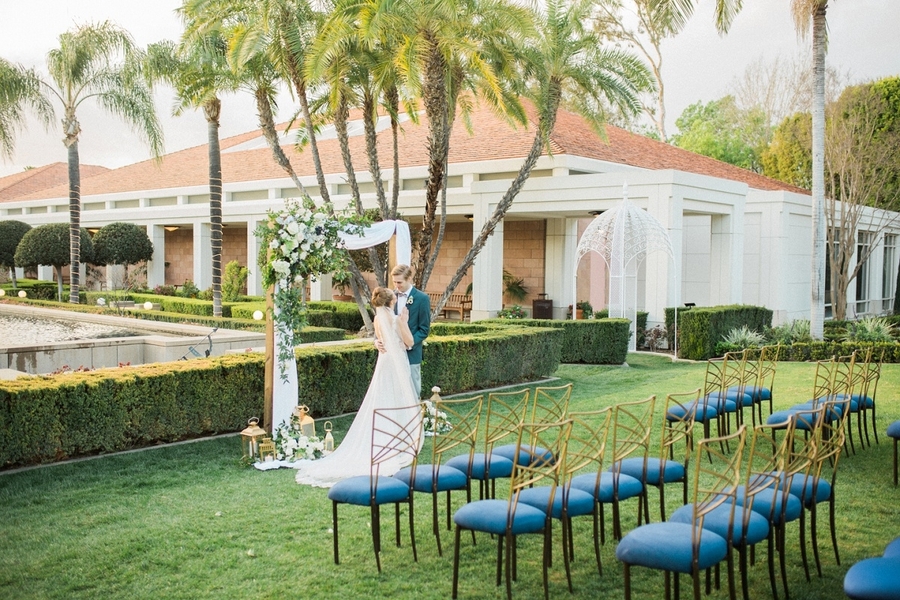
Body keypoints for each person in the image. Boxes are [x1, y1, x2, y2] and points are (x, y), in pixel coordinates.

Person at [294, 287, 421, 488]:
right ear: (390, 302)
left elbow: (380, 339)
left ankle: (387, 437)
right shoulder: (396, 319)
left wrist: (377, 342)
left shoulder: (378, 319)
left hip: (385, 361)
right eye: (394, 297)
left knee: (382, 396)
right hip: (396, 363)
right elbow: (410, 342)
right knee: (397, 397)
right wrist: (404, 322)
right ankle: (397, 441)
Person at [376, 264, 431, 397]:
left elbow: (424, 330)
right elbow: (381, 323)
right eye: (394, 282)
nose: (396, 286)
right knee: (392, 394)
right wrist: (377, 341)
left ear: (409, 279)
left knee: (412, 392)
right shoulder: (390, 297)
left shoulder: (422, 299)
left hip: (411, 356)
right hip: (390, 356)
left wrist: (408, 344)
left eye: (399, 282)